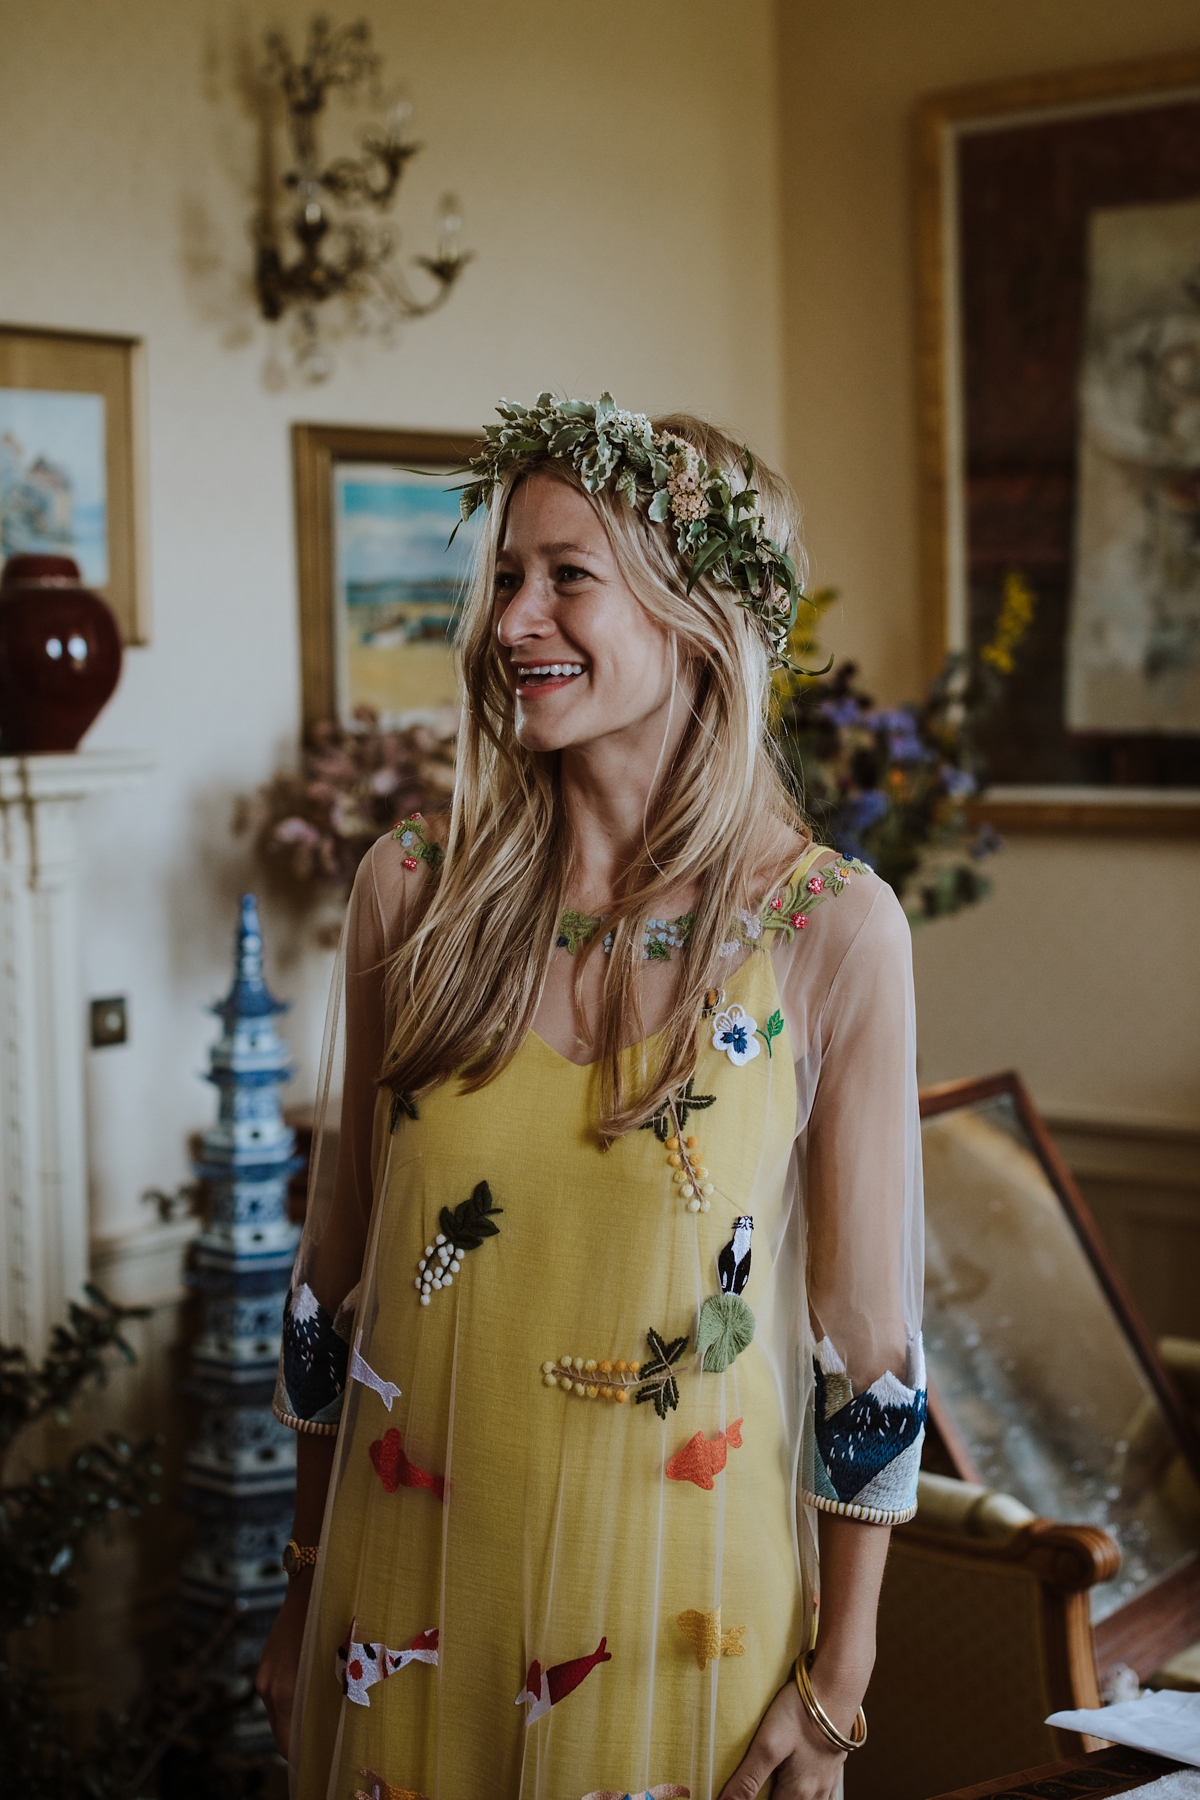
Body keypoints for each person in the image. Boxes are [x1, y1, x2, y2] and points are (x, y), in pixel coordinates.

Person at [256, 395, 924, 1800]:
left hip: (688, 1637)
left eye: (568, 577)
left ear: (700, 613)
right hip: (406, 1604)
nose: (512, 621)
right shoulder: (414, 893)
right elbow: (337, 1283)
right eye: (506, 576)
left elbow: (866, 1355)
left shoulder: (829, 928)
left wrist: (840, 1685)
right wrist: (307, 1583)